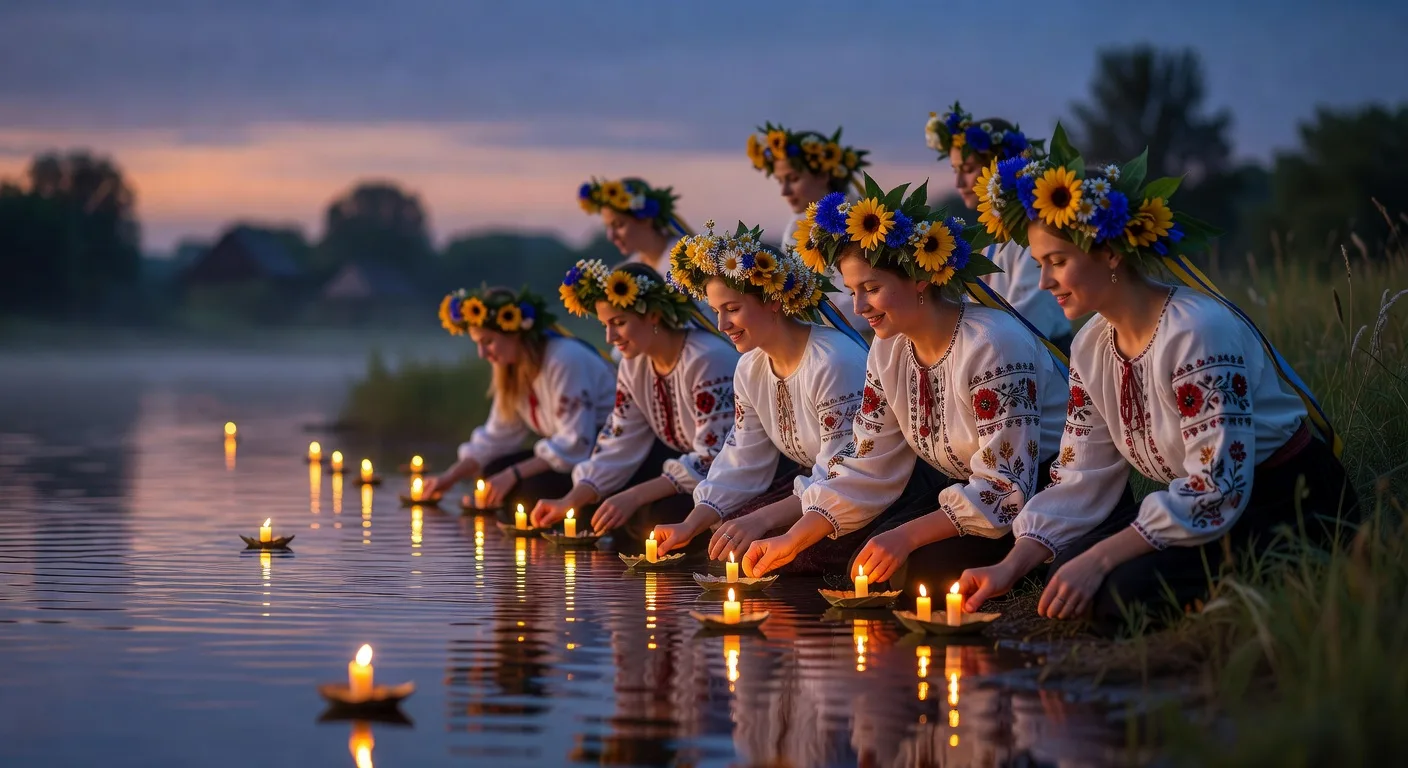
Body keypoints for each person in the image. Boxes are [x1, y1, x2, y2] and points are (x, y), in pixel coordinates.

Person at [957, 127, 1357, 629]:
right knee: (1065, 570)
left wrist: (1101, 557)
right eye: (1039, 264)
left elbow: (1219, 483)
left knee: (1116, 593)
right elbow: (1083, 473)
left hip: (1282, 497)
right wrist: (1009, 567)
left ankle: (1266, 597)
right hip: (1194, 497)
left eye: (1058, 261)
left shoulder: (1196, 332)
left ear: (1110, 253)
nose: (1044, 281)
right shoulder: (1091, 345)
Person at [742, 176, 1068, 594]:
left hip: (1033, 491)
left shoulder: (991, 343)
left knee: (913, 573)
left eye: (872, 288)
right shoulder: (888, 349)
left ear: (920, 278)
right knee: (856, 563)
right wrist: (791, 538)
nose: (859, 307)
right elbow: (868, 461)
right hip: (961, 486)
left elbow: (1005, 486)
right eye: (852, 291)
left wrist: (905, 536)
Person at [640, 221, 870, 573]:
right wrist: (690, 524)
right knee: (726, 530)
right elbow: (743, 457)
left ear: (773, 300)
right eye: (716, 311)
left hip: (859, 491)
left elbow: (841, 473)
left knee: (760, 546)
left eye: (732, 309)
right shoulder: (750, 367)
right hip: (813, 488)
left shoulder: (831, 360)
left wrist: (761, 520)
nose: (722, 325)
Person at [531, 261, 738, 542]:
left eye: (619, 323)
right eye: (605, 325)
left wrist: (634, 496)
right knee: (601, 511)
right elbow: (619, 438)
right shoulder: (634, 363)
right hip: (691, 472)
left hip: (734, 476)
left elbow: (715, 457)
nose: (610, 337)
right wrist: (570, 500)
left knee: (651, 518)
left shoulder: (706, 359)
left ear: (653, 315)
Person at [423, 287, 615, 517]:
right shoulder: (512, 369)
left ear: (514, 333)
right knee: (491, 470)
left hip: (602, 451)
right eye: (478, 344)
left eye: (488, 341)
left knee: (527, 489)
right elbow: (496, 438)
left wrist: (512, 475)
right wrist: (449, 477)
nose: (482, 353)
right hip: (568, 454)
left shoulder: (565, 359)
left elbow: (574, 444)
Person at [926, 103, 1073, 352]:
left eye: (968, 170)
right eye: (955, 170)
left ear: (1000, 168)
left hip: (1043, 358)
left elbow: (1030, 321)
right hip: (1000, 353)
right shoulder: (992, 237)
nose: (959, 182)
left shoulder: (1031, 237)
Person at [746, 123, 869, 328]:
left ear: (823, 175)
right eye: (780, 181)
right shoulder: (797, 227)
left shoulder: (859, 219)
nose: (784, 191)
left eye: (793, 179)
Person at [578, 177, 689, 275]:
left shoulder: (687, 259)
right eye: (607, 227)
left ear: (645, 218)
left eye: (618, 225)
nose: (611, 236)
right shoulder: (629, 270)